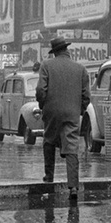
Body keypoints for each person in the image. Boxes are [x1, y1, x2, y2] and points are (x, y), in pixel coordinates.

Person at [36, 37, 91, 200]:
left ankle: (49, 178)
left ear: (55, 52)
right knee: (71, 147)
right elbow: (86, 96)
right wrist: (78, 110)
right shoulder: (81, 69)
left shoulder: (46, 65)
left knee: (49, 140)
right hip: (72, 112)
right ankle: (73, 186)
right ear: (67, 50)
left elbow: (41, 90)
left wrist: (43, 104)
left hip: (51, 110)